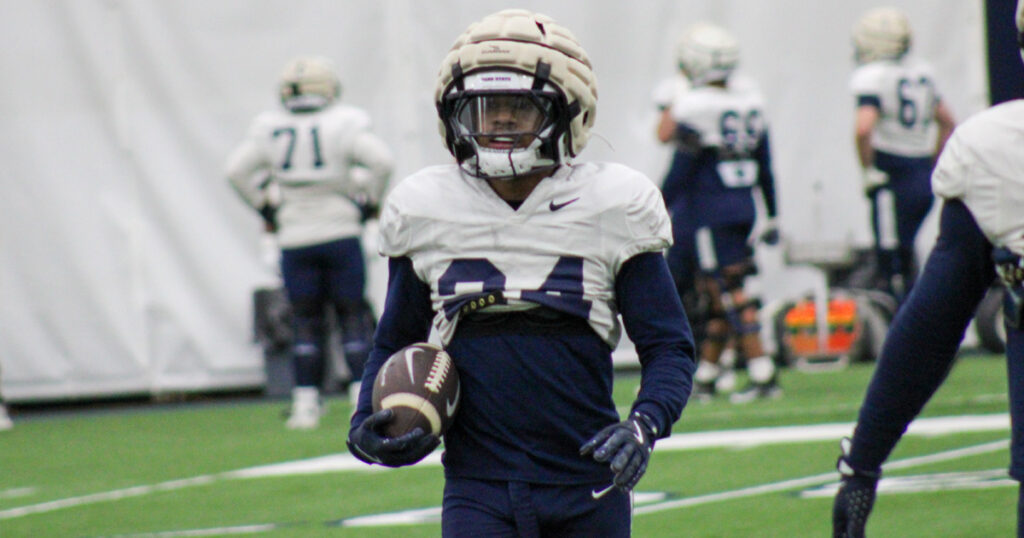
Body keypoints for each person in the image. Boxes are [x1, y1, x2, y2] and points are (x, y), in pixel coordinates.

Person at [346, 9, 696, 536]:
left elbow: (669, 345)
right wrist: (363, 425)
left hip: (587, 481)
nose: (501, 120)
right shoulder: (426, 206)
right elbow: (394, 338)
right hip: (476, 484)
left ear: (568, 112)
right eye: (485, 108)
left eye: (520, 106)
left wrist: (644, 424)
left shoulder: (613, 203)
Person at [832, 3, 1024, 536]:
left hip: (901, 179)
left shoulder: (996, 147)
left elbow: (933, 324)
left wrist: (863, 460)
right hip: (922, 173)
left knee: (900, 269)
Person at [226, 56, 393, 430]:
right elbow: (381, 161)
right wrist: (369, 201)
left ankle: (305, 403)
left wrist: (265, 207)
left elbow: (236, 171)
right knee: (353, 316)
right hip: (340, 230)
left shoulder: (269, 128)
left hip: (295, 234)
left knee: (305, 321)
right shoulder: (345, 122)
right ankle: (359, 398)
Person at [655, 22, 780, 404]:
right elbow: (765, 164)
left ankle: (762, 370)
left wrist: (654, 206)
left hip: (709, 210)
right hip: (742, 205)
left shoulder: (695, 105)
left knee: (728, 292)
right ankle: (707, 374)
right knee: (717, 294)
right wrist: (772, 213)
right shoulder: (749, 101)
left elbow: (671, 148)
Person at [849, 6, 955, 304]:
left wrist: (868, 169)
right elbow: (948, 121)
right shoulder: (922, 72)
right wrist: (933, 163)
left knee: (892, 261)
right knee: (907, 253)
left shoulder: (872, 76)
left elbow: (863, 128)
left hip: (892, 174)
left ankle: (908, 333)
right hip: (920, 171)